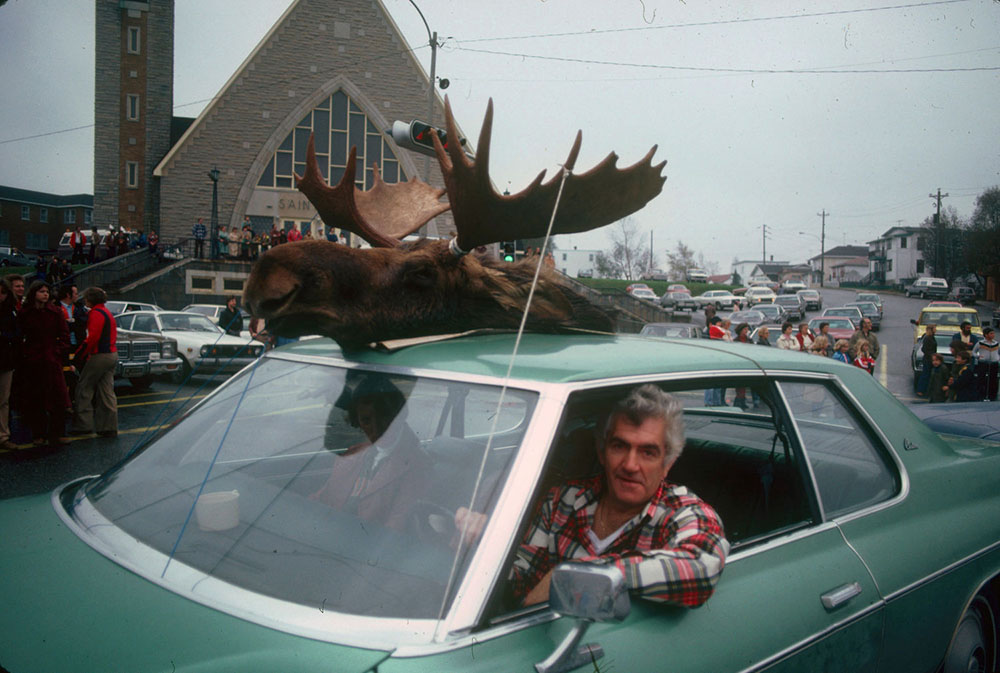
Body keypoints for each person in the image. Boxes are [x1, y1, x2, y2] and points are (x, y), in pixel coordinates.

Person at [506, 384, 728, 606]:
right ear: (602, 452)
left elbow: (701, 566)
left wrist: (576, 576)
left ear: (667, 465)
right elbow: (520, 578)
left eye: (648, 452)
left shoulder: (683, 511)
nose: (630, 465)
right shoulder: (560, 500)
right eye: (619, 446)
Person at [310, 376, 430, 531]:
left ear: (399, 417)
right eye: (366, 420)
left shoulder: (418, 466)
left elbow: (395, 528)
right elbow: (323, 498)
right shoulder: (352, 453)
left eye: (384, 418)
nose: (377, 429)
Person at [16, 281, 71, 446]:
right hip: (33, 361)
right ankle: (38, 434)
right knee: (35, 399)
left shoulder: (55, 312)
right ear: (34, 294)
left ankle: (58, 433)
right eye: (41, 291)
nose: (45, 294)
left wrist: (57, 352)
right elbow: (20, 336)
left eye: (47, 291)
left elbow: (64, 335)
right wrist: (26, 354)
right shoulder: (25, 313)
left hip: (51, 360)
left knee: (57, 399)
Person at [71, 287, 118, 438]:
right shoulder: (106, 312)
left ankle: (84, 424)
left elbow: (92, 337)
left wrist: (80, 354)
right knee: (106, 391)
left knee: (84, 388)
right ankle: (108, 426)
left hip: (100, 355)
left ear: (90, 300)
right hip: (111, 353)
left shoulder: (95, 313)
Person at [0, 279, 19, 449]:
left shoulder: (10, 311)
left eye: (3, 292)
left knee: (4, 400)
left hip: (5, 360)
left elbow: (16, 334)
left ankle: (3, 436)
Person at [972, 326, 998, 401]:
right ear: (986, 335)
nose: (993, 335)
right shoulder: (980, 343)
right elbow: (974, 352)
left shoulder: (996, 343)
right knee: (981, 379)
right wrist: (977, 356)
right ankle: (981, 395)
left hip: (993, 364)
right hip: (983, 363)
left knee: (993, 380)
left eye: (993, 333)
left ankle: (992, 396)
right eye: (991, 333)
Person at [916, 324, 938, 396]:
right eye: (935, 328)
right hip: (928, 359)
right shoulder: (928, 338)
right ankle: (920, 390)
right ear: (931, 329)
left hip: (930, 359)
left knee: (928, 375)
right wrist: (932, 356)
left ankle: (925, 390)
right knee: (925, 375)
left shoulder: (932, 337)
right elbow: (924, 349)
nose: (936, 329)